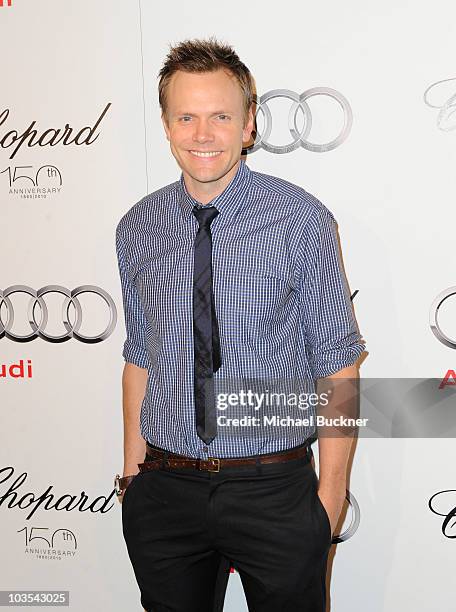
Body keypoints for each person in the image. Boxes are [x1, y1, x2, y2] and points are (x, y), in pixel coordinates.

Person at [114, 36, 366, 612]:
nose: (203, 134)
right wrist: (133, 479)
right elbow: (139, 356)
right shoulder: (138, 226)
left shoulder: (300, 219)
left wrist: (328, 500)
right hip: (165, 491)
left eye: (221, 116)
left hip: (274, 491)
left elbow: (339, 362)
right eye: (187, 117)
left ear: (248, 124)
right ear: (167, 125)